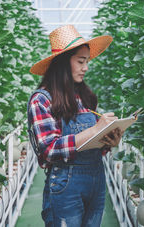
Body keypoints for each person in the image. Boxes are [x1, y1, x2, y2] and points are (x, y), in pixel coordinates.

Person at [27, 25, 122, 227]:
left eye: (87, 61)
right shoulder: (42, 100)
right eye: (81, 61)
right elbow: (49, 150)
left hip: (96, 178)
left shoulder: (84, 98)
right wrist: (95, 130)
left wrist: (108, 141)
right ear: (62, 63)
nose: (86, 67)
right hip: (65, 182)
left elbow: (92, 143)